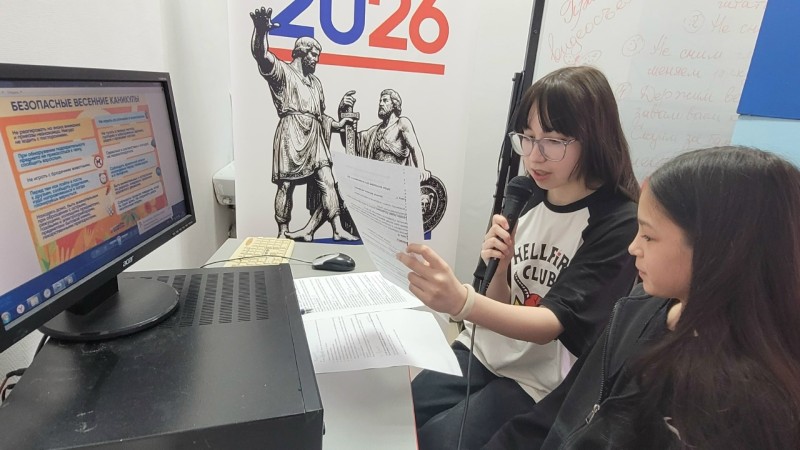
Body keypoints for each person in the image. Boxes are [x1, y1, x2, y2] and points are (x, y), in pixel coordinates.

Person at [396, 66, 641, 449]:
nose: (534, 156)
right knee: (398, 420)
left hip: (540, 379)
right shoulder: (524, 194)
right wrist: (500, 270)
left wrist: (462, 302)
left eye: (553, 141)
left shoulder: (618, 221)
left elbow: (550, 324)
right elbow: (498, 301)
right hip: (486, 350)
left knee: (438, 440)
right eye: (527, 138)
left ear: (593, 138)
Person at [511, 146, 800, 449]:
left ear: (716, 249)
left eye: (648, 236)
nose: (633, 247)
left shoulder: (744, 402)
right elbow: (566, 411)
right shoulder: (636, 309)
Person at [250, 6, 356, 241]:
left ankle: (337, 229)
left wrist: (339, 125)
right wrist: (261, 31)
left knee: (328, 181)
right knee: (286, 186)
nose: (316, 60)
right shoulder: (283, 72)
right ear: (301, 52)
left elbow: (321, 117)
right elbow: (261, 55)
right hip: (291, 133)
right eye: (314, 55)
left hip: (315, 137)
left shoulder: (316, 83)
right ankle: (282, 231)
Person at [341, 89, 431, 180]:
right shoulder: (374, 131)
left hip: (396, 181)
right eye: (380, 101)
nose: (381, 104)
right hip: (376, 181)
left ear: (394, 104)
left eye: (385, 100)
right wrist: (342, 109)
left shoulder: (401, 123)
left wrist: (421, 169)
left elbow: (414, 147)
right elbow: (350, 142)